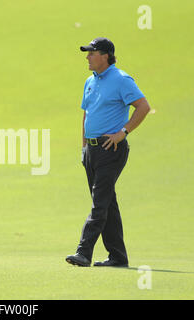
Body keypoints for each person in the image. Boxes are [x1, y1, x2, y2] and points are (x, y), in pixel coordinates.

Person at [66, 37, 151, 267]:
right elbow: (87, 115)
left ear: (105, 56)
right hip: (92, 150)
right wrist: (84, 147)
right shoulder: (89, 81)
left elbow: (143, 106)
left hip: (111, 148)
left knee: (99, 203)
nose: (87, 57)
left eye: (91, 53)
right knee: (107, 203)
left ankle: (84, 252)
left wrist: (123, 132)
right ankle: (118, 257)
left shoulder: (121, 79)